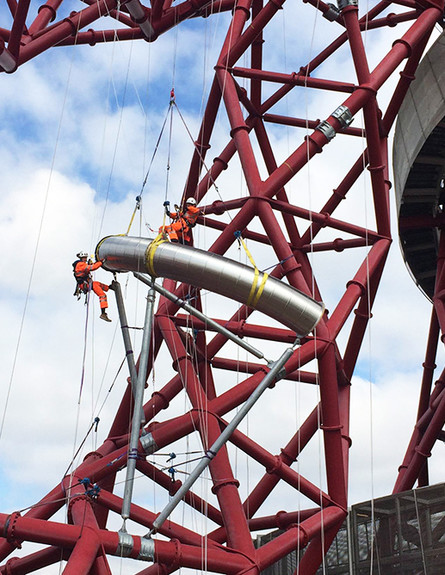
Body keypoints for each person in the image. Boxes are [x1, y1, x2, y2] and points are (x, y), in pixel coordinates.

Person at [73, 251, 112, 322]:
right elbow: (93, 267)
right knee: (102, 295)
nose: (85, 259)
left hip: (86, 284)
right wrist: (101, 262)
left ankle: (109, 287)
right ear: (81, 258)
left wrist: (93, 263)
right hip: (85, 285)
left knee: (97, 284)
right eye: (84, 258)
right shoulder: (80, 265)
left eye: (86, 257)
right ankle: (103, 313)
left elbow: (90, 267)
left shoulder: (81, 264)